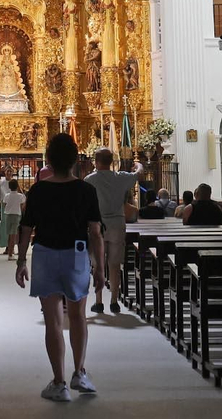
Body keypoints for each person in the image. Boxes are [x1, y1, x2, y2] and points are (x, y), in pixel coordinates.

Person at [16, 133, 106, 401]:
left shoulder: (38, 190)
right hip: (76, 254)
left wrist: (21, 261)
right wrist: (99, 267)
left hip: (45, 254)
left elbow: (26, 228)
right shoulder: (86, 190)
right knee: (78, 316)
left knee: (53, 320)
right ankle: (80, 372)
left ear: (49, 161)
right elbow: (95, 232)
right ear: (75, 160)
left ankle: (59, 383)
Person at [84, 147, 143, 315]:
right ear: (111, 162)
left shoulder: (89, 179)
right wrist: (138, 165)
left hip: (98, 225)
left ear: (96, 161)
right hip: (117, 223)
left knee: (98, 265)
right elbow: (139, 174)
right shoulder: (121, 177)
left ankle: (98, 301)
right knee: (115, 265)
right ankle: (114, 301)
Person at [2, 179, 26, 257]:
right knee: (13, 235)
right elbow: (23, 205)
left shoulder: (6, 195)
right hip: (16, 215)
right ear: (17, 186)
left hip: (8, 215)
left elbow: (4, 204)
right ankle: (10, 253)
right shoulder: (20, 196)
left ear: (9, 187)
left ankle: (9, 250)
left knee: (9, 235)